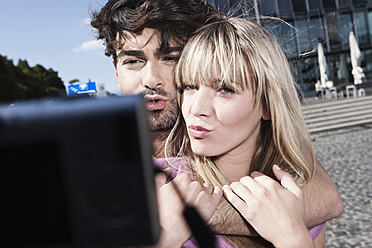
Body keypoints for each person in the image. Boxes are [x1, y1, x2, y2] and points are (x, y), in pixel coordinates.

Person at [90, 0, 343, 241]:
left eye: (170, 58)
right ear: (116, 71)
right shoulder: (94, 162)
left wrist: (192, 213)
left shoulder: (250, 145)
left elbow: (327, 198)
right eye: (133, 61)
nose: (150, 79)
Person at [153, 17, 328, 248]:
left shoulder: (292, 197)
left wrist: (292, 236)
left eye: (225, 89)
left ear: (267, 105)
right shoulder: (158, 184)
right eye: (190, 87)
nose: (196, 108)